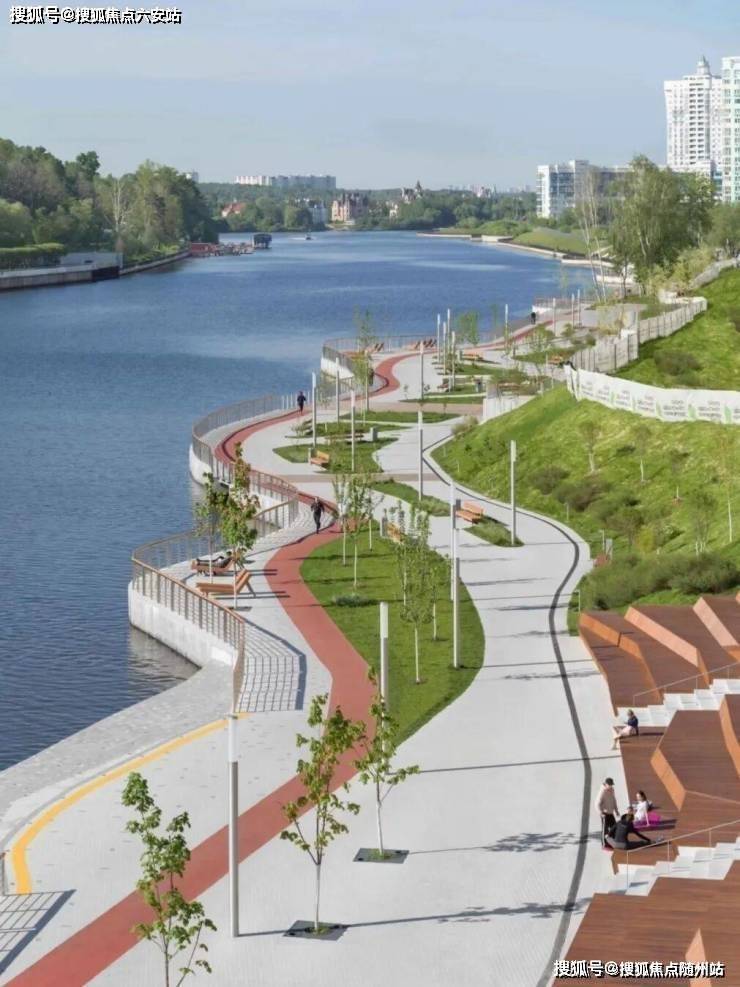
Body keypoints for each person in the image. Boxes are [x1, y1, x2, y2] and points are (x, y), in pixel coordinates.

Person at [595, 777, 619, 848]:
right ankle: (604, 844)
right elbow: (597, 804)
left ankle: (613, 841)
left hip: (610, 812)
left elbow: (614, 800)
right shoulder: (602, 791)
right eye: (609, 785)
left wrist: (616, 810)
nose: (611, 786)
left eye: (611, 785)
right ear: (606, 784)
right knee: (605, 829)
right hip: (604, 813)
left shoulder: (612, 790)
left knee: (614, 827)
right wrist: (600, 812)